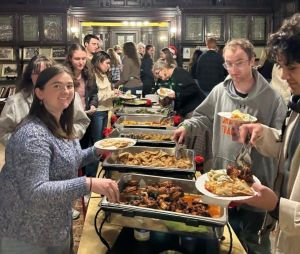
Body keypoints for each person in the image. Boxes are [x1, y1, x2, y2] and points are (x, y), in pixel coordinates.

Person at [174, 38, 287, 254]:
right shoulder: (220, 91)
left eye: (239, 63)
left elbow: (282, 141)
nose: (233, 69)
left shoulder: (273, 98)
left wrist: (261, 132)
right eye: (228, 63)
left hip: (257, 182)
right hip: (221, 178)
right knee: (224, 237)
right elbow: (203, 117)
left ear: (253, 61)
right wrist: (187, 127)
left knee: (253, 239)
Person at [0, 65, 119, 254]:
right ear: (39, 93)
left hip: (54, 224)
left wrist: (98, 150)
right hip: (26, 232)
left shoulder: (59, 123)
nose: (66, 91)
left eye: (70, 86)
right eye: (57, 86)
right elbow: (35, 191)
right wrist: (88, 183)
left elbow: (69, 160)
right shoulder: (32, 135)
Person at [238, 13, 300, 254]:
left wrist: (275, 206)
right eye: (282, 67)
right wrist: (261, 133)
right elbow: (290, 149)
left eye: (291, 68)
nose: (284, 76)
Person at [0, 55, 90, 145]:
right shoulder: (15, 102)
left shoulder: (68, 96)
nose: (43, 77)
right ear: (30, 76)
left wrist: (66, 136)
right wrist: (25, 143)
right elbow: (3, 132)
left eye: (48, 73)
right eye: (37, 73)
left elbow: (82, 121)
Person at [65, 44, 99, 177]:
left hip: (85, 118)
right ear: (69, 59)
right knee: (70, 152)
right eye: (77, 59)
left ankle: (83, 181)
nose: (81, 62)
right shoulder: (63, 74)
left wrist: (93, 105)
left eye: (83, 59)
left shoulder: (89, 74)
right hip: (68, 119)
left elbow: (94, 93)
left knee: (84, 151)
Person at [91, 51, 121, 145]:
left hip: (107, 110)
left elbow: (106, 93)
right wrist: (112, 93)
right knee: (98, 141)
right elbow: (97, 96)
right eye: (107, 63)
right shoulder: (94, 76)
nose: (109, 66)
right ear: (99, 62)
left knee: (104, 140)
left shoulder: (104, 75)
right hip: (98, 112)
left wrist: (115, 94)